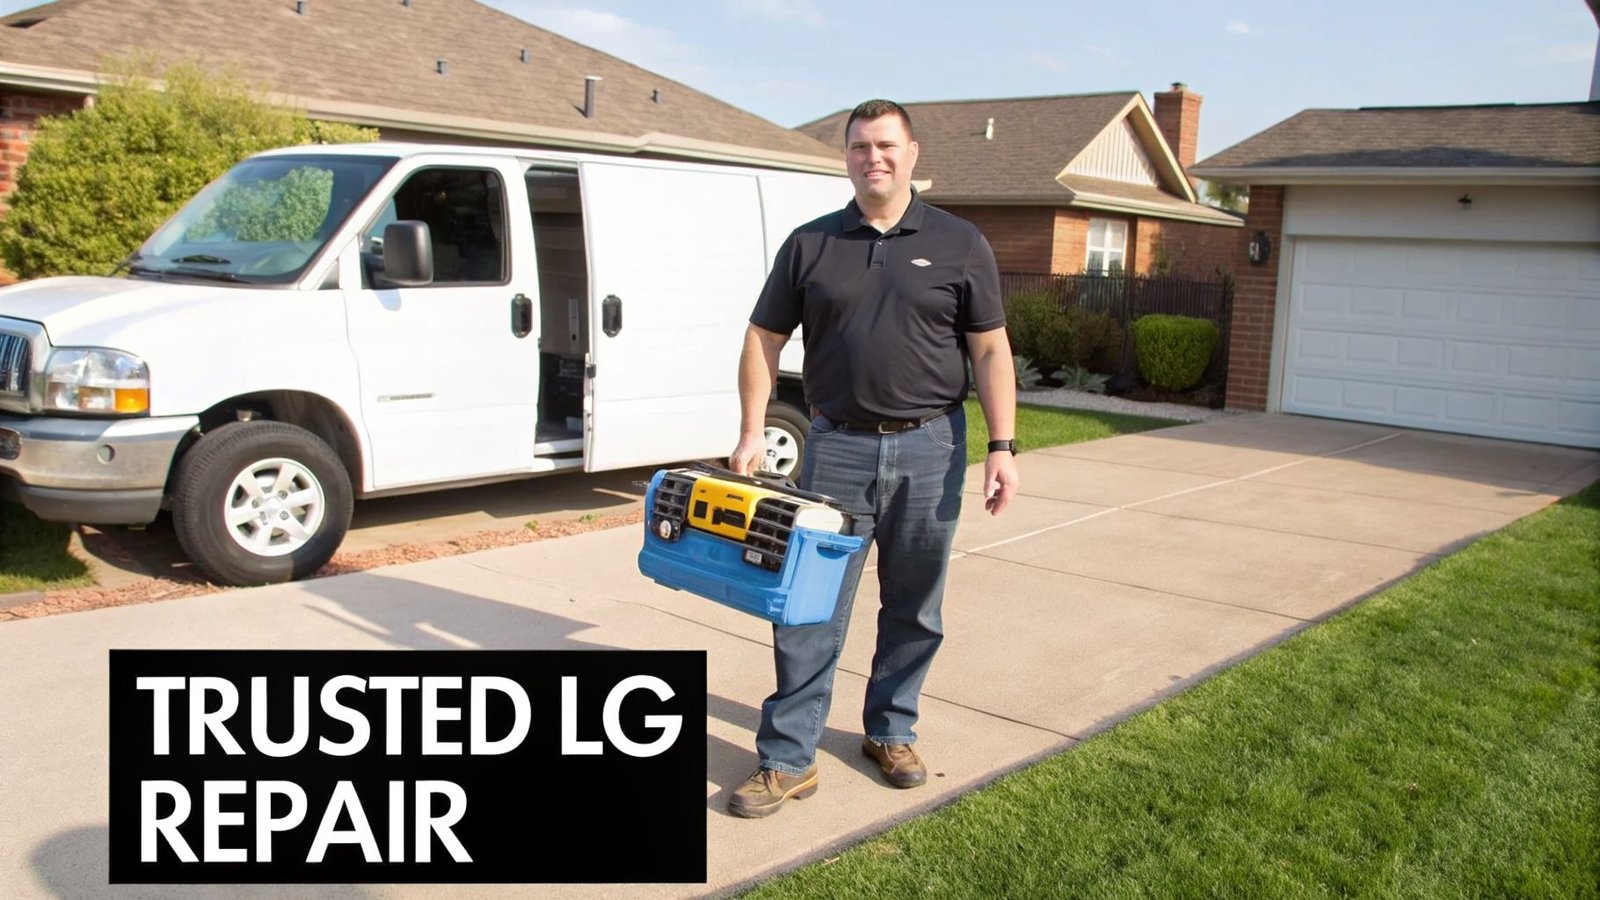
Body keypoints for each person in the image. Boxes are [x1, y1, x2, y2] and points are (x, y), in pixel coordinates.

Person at [726, 99, 1019, 818]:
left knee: (915, 603)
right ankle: (789, 758)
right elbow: (764, 337)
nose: (872, 158)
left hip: (932, 446)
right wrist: (751, 429)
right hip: (836, 449)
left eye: (886, 145)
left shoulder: (960, 242)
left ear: (913, 153)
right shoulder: (811, 244)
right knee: (807, 607)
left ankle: (890, 731)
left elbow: (989, 348)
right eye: (859, 147)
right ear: (847, 157)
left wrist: (1003, 446)